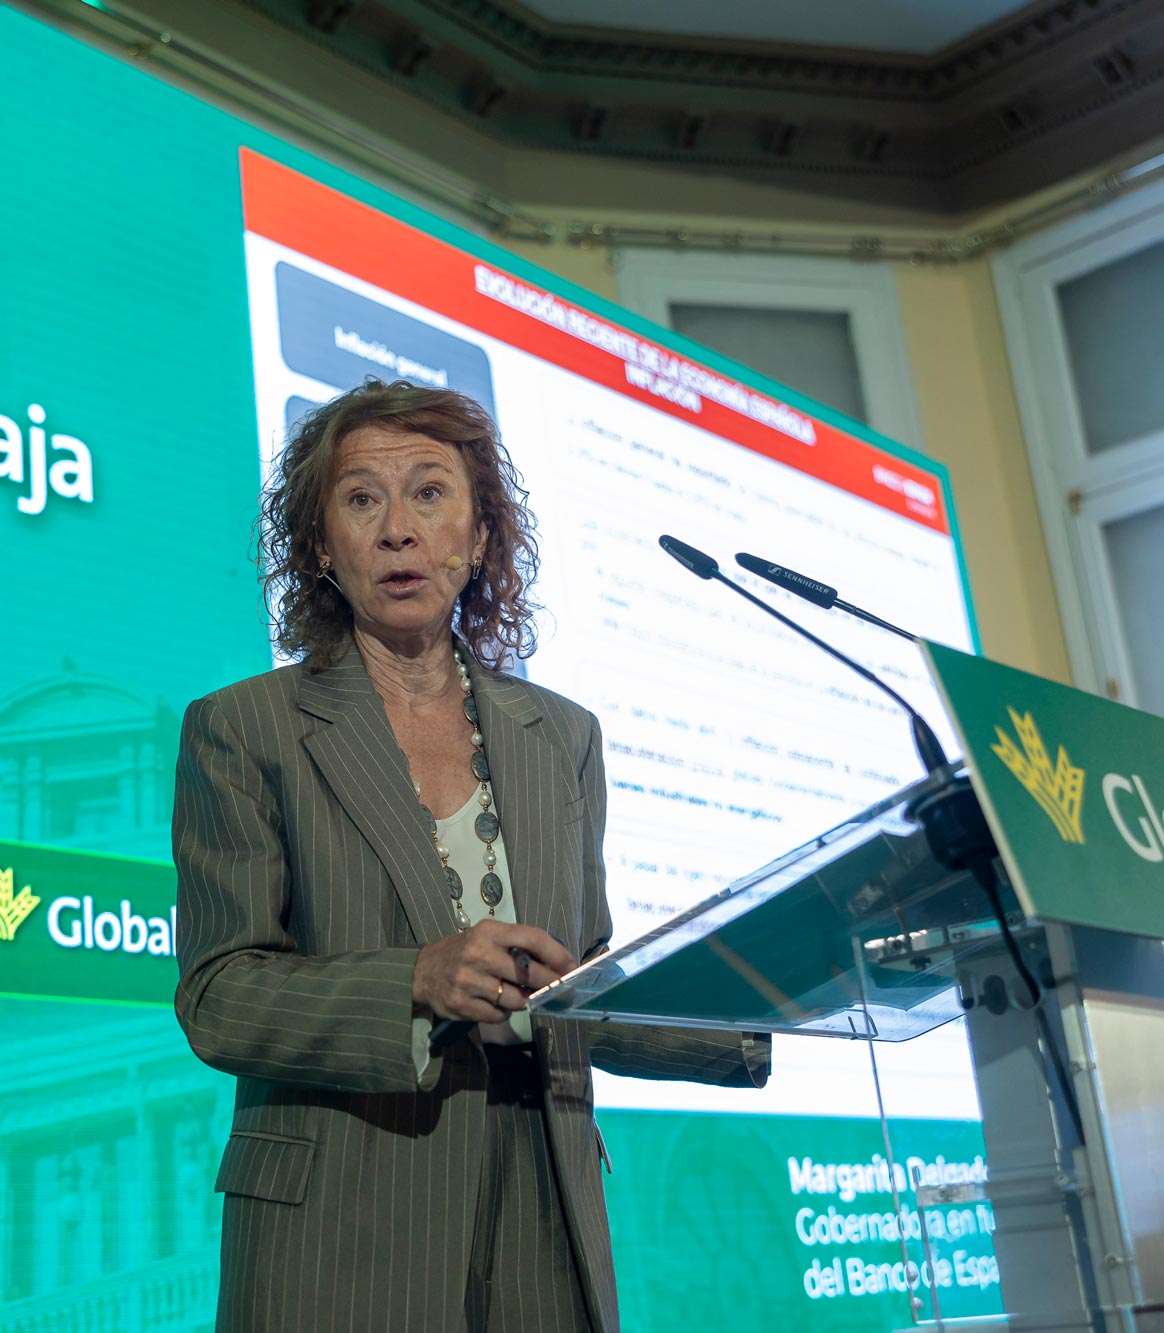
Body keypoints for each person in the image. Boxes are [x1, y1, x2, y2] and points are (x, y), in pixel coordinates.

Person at [173, 380, 770, 1333]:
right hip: (342, 1230)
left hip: (544, 1206)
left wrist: (763, 1002)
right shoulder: (245, 729)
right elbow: (219, 994)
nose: (399, 529)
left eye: (431, 492)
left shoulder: (562, 737)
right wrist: (416, 980)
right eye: (362, 498)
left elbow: (585, 987)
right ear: (322, 546)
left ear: (483, 533)